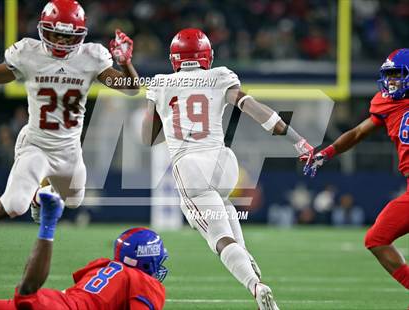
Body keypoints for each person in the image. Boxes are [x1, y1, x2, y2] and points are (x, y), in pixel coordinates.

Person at [142, 28, 314, 310]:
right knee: (226, 211)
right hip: (223, 162)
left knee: (219, 239)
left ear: (174, 58)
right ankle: (250, 269)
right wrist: (298, 141)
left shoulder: (160, 82)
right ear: (206, 56)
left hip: (190, 165)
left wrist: (157, 105)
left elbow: (147, 137)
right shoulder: (220, 75)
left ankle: (254, 285)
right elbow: (254, 109)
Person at [0, 0, 139, 223]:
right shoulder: (30, 54)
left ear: (80, 35)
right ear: (42, 29)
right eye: (55, 34)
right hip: (36, 144)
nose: (60, 41)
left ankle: (39, 197)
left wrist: (125, 63)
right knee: (13, 205)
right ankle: (28, 199)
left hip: (69, 149)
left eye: (67, 36)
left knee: (73, 200)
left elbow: (131, 89)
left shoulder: (91, 57)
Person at [303, 48, 409, 290]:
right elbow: (358, 132)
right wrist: (327, 153)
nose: (392, 81)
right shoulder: (387, 103)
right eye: (390, 75)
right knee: (376, 239)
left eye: (397, 74)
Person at [0, 192, 168, 310]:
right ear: (146, 259)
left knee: (23, 299)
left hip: (56, 300)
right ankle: (48, 223)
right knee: (27, 294)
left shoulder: (104, 266)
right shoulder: (145, 281)